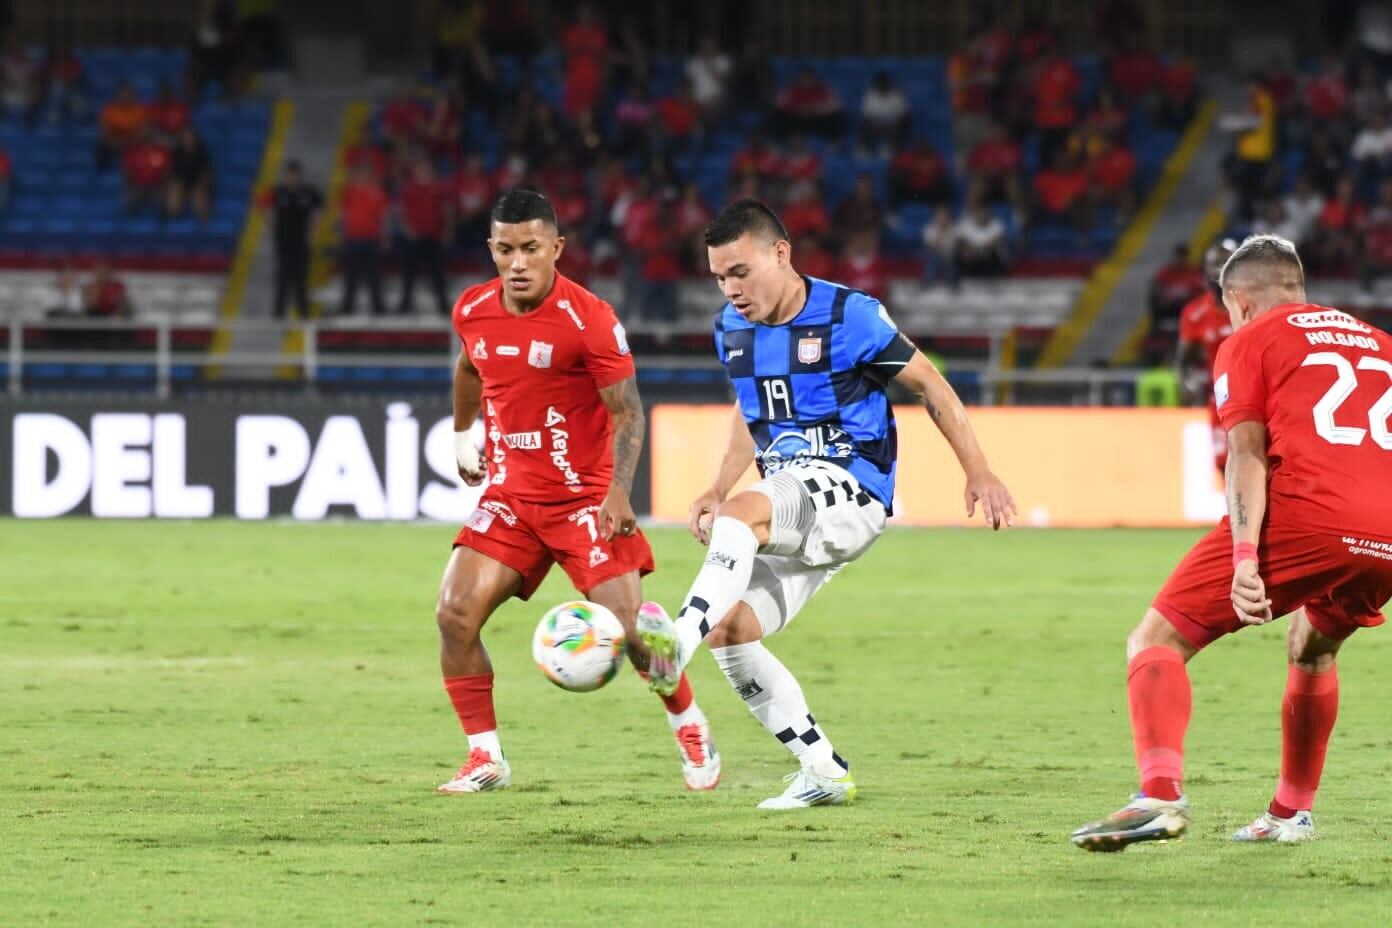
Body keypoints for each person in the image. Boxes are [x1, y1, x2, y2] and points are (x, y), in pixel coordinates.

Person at [636, 199, 1015, 809]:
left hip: (852, 486)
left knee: (741, 518)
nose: (731, 289)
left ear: (780, 254)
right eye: (719, 277)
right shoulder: (730, 330)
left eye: (740, 272)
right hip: (793, 502)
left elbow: (930, 385)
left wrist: (979, 470)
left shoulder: (850, 315)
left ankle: (673, 641)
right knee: (732, 631)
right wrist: (716, 483)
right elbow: (749, 407)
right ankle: (822, 769)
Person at [1072, 234, 1392, 851]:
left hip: (1311, 513)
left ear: (1239, 302)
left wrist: (1246, 557)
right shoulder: (1380, 344)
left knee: (1155, 639)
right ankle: (1288, 815)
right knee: (1312, 647)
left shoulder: (1249, 339)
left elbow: (1247, 456)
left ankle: (1158, 797)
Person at [436, 189, 719, 795]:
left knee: (636, 635)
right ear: (491, 249)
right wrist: (465, 435)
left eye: (531, 248)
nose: (517, 262)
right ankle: (484, 756)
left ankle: (688, 719)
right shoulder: (473, 309)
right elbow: (468, 368)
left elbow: (630, 414)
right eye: (505, 249)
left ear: (556, 249)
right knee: (454, 613)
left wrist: (619, 491)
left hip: (584, 501)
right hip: (511, 498)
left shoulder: (587, 319)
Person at [1176, 239, 1237, 472]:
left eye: (1226, 261)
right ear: (1205, 270)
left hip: (1258, 397)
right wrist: (1186, 383)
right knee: (1224, 464)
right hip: (1221, 401)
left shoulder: (1255, 306)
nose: (1220, 268)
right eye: (1214, 263)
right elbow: (1183, 361)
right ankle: (1235, 508)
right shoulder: (1195, 313)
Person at [259, 160, 323, 320]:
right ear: (286, 176)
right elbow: (261, 203)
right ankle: (278, 314)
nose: (292, 178)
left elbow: (320, 206)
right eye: (290, 175)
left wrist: (314, 228)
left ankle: (303, 314)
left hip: (301, 243)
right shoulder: (278, 192)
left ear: (300, 176)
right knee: (282, 280)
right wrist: (269, 221)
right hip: (283, 243)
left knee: (301, 280)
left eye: (295, 175)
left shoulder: (308, 193)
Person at [396, 155, 452, 316]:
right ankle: (405, 304)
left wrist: (447, 231)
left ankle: (443, 304)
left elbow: (447, 210)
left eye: (426, 168)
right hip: (414, 237)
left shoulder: (440, 187)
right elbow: (401, 212)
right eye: (420, 168)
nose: (423, 171)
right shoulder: (409, 188)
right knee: (409, 272)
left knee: (438, 273)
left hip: (434, 236)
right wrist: (407, 229)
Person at [338, 162, 390, 316]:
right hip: (352, 239)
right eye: (360, 173)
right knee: (350, 276)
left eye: (366, 173)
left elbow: (384, 217)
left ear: (370, 176)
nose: (363, 177)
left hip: (372, 239)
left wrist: (384, 237)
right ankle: (347, 307)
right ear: (355, 175)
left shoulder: (378, 192)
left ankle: (378, 307)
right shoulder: (348, 192)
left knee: (375, 276)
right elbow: (343, 215)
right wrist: (342, 235)